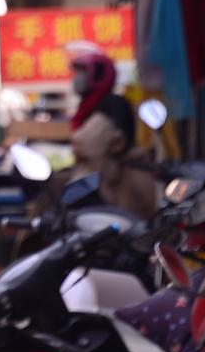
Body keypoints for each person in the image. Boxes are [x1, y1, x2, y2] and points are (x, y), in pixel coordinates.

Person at [66, 40, 159, 220]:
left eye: (82, 72)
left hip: (123, 188)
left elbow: (85, 144)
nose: (76, 77)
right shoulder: (91, 107)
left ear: (98, 74)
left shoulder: (111, 105)